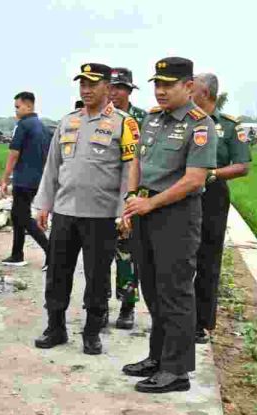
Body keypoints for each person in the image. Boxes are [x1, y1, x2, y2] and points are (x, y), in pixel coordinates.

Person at [122, 57, 218, 393]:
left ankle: (176, 371)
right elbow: (137, 160)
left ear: (188, 86)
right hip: (146, 211)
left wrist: (150, 202)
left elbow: (194, 180)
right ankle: (158, 357)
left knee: (175, 292)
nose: (161, 91)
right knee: (151, 287)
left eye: (168, 85)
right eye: (157, 84)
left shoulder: (200, 125)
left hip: (176, 216)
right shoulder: (151, 119)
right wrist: (133, 199)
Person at [33, 63, 138, 355]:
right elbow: (53, 166)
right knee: (57, 273)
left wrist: (124, 210)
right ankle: (56, 327)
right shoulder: (68, 122)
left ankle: (92, 333)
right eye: (82, 84)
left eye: (93, 84)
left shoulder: (123, 123)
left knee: (97, 276)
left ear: (108, 87)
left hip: (102, 216)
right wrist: (44, 204)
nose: (86, 89)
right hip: (65, 213)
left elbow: (130, 169)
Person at [192, 73, 252, 343]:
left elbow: (242, 166)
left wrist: (211, 174)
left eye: (191, 87)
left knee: (207, 258)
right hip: (183, 192)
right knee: (180, 257)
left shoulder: (228, 126)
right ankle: (178, 316)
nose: (187, 90)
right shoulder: (185, 122)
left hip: (212, 195)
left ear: (204, 93)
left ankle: (200, 322)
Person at [107, 67, 148, 329]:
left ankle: (127, 307)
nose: (114, 93)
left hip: (130, 196)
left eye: (120, 88)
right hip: (100, 196)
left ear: (129, 90)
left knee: (127, 255)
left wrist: (134, 200)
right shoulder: (99, 116)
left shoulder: (144, 120)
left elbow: (145, 162)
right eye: (110, 87)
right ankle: (97, 305)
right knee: (98, 255)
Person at [0, 92, 50, 267]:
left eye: (17, 107)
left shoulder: (23, 125)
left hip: (24, 179)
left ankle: (51, 251)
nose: (16, 111)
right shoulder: (43, 127)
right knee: (17, 215)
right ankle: (17, 254)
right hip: (38, 178)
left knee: (23, 216)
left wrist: (5, 179)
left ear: (28, 106)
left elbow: (14, 153)